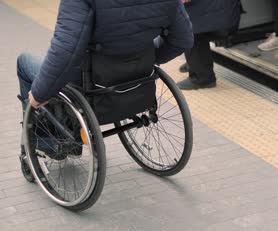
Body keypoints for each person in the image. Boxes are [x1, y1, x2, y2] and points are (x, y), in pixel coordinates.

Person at [17, 0, 194, 179]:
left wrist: (40, 93)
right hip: (139, 81)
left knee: (24, 63)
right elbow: (183, 39)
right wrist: (148, 59)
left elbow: (66, 50)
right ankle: (66, 138)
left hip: (92, 83)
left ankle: (44, 144)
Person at [177, 0, 242, 90]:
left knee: (187, 29)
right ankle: (195, 63)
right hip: (229, 16)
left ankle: (201, 78)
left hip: (222, 22)